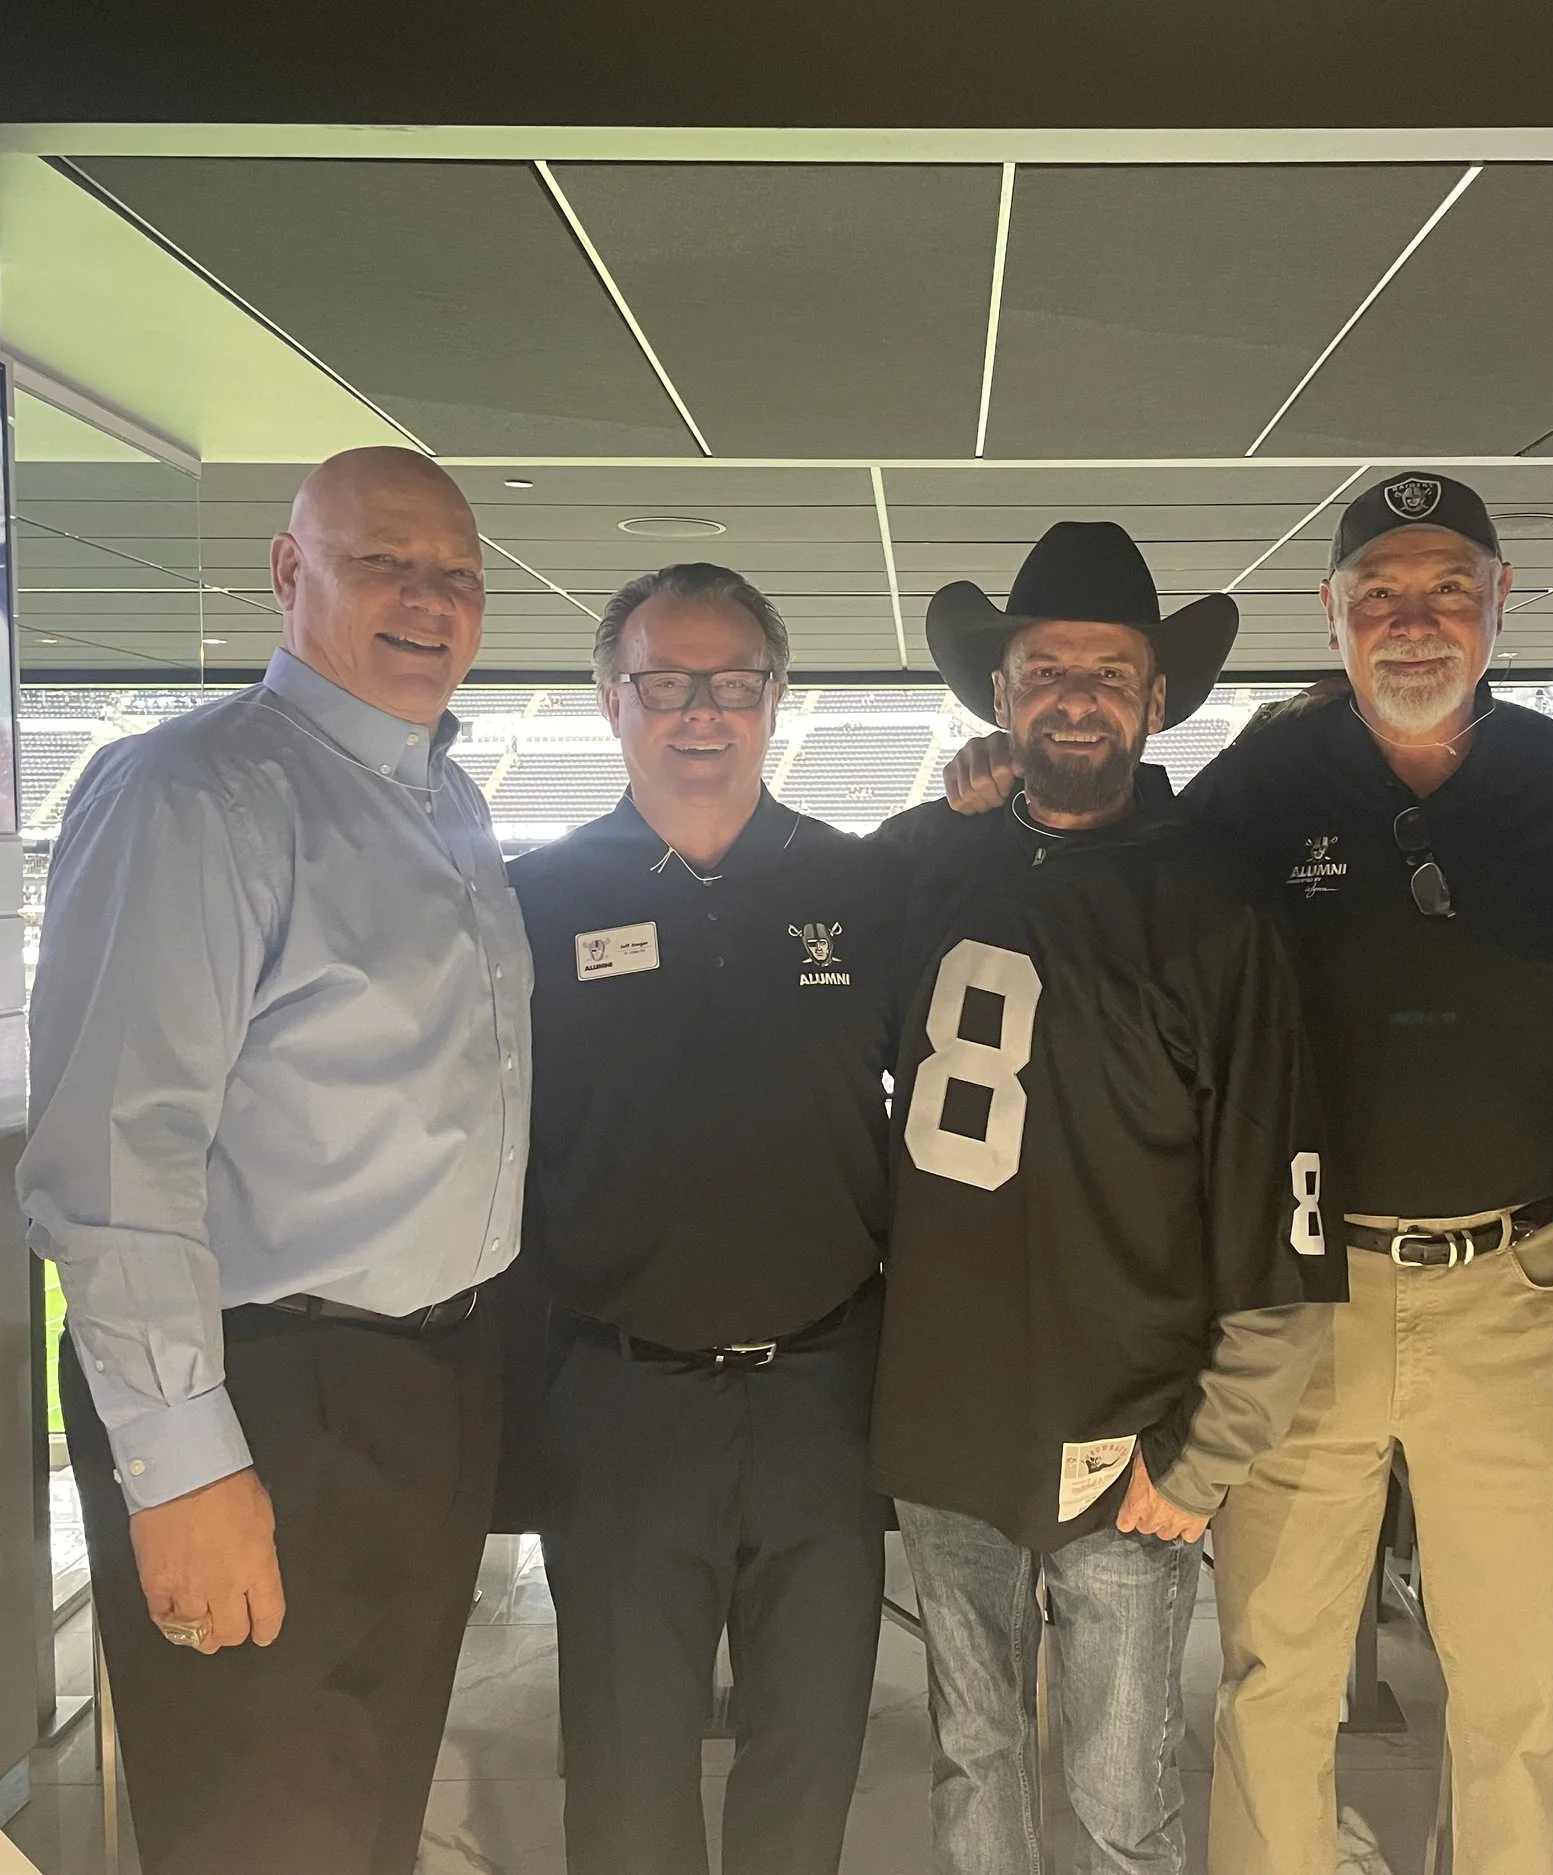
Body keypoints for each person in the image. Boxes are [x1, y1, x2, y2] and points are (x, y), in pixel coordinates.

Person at [943, 472, 1553, 1875]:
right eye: (1379, 594)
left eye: (1448, 587)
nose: (1414, 620)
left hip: (1517, 1284)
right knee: (1277, 1664)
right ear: (1331, 618)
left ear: (1500, 603)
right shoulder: (1262, 788)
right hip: (1300, 1293)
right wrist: (997, 794)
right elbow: (1121, 876)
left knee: (1518, 1677)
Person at [17, 447, 531, 1875]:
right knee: (260, 1814)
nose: (432, 599)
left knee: (369, 1793)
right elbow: (115, 1155)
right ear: (290, 571)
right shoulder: (197, 793)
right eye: (388, 561)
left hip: (430, 1385)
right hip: (268, 1392)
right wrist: (180, 1466)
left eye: (460, 573)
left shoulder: (443, 798)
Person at [873, 521, 1337, 1875]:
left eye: (1108, 668)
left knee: (1120, 1791)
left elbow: (1282, 1207)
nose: (1076, 693)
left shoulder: (1218, 910)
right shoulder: (925, 865)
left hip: (1131, 1429)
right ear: (1002, 693)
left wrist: (1206, 1457)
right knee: (970, 1751)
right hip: (946, 1409)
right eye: (1046, 666)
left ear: (1156, 697)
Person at [509, 563, 902, 1875]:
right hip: (622, 1399)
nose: (700, 713)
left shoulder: (861, 886)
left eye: (732, 683)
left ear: (775, 699)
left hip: (826, 1391)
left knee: (810, 1758)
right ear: (610, 698)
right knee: (624, 1769)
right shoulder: (536, 900)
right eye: (665, 683)